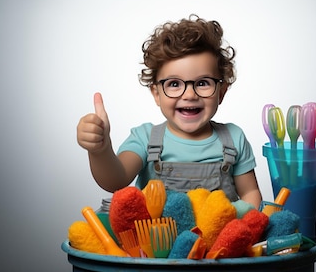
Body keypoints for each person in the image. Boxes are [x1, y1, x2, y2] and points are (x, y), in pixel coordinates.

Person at [77, 14, 262, 208]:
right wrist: (100, 150)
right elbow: (116, 180)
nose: (189, 94)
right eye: (174, 83)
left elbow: (250, 193)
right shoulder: (145, 138)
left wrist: (250, 226)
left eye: (203, 83)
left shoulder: (233, 138)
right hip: (158, 239)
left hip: (220, 238)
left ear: (221, 92)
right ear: (156, 93)